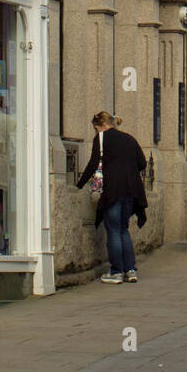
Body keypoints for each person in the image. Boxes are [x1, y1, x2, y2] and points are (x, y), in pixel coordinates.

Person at [76, 111, 147, 284]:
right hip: (131, 190)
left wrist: (79, 184)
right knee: (123, 229)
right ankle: (130, 270)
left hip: (113, 190)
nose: (95, 132)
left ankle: (116, 272)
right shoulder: (130, 139)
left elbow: (93, 164)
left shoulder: (101, 139)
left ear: (102, 126)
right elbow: (143, 163)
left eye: (95, 128)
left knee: (113, 230)